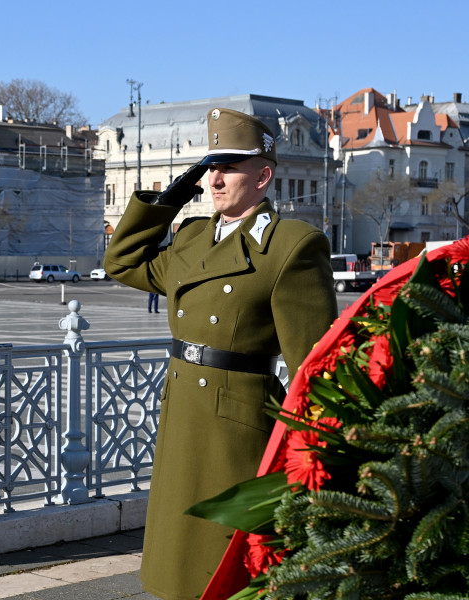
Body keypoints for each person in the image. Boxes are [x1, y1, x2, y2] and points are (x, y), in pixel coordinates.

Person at [103, 108, 336, 600]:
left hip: (238, 419)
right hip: (182, 405)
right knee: (177, 554)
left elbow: (311, 365)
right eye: (209, 167)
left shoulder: (292, 245)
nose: (214, 178)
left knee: (226, 560)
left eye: (228, 166)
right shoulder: (192, 237)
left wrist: (313, 453)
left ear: (263, 175)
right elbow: (121, 261)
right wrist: (167, 202)